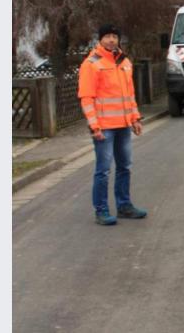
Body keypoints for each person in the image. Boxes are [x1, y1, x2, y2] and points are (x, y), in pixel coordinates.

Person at [78, 24, 146, 225]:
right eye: (107, 36)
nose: (111, 40)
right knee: (103, 170)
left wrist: (135, 118)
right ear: (100, 39)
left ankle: (124, 206)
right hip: (104, 127)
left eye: (114, 36)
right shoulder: (91, 64)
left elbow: (129, 95)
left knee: (125, 166)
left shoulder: (125, 63)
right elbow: (86, 97)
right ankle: (101, 210)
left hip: (123, 125)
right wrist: (94, 125)